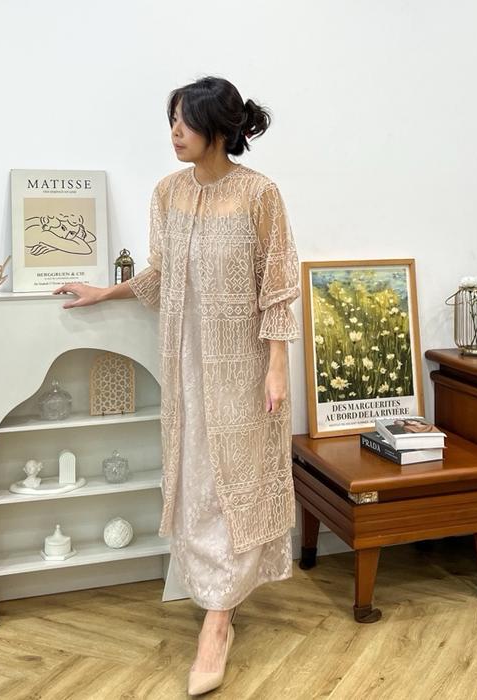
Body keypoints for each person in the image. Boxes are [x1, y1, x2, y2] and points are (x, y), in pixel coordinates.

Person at [53, 76, 301, 696]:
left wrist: (276, 366)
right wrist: (106, 291)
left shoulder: (260, 194)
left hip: (243, 368)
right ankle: (216, 601)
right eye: (172, 121)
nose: (174, 133)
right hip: (186, 366)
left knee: (234, 479)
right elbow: (161, 276)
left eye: (185, 122)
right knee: (196, 480)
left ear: (218, 129)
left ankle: (217, 623)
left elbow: (278, 287)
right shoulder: (167, 193)